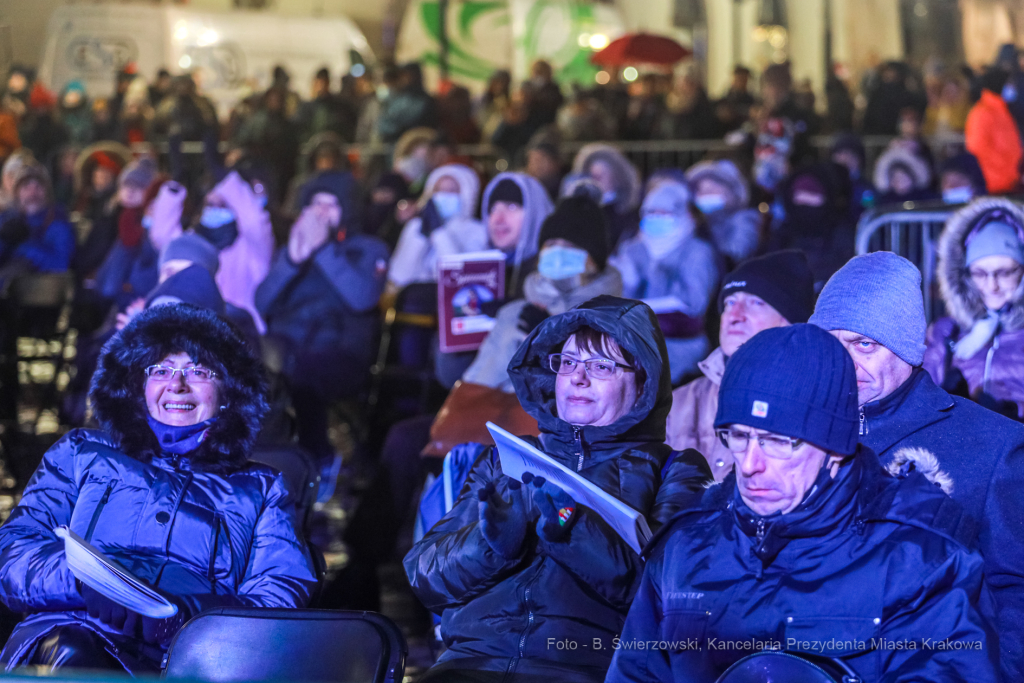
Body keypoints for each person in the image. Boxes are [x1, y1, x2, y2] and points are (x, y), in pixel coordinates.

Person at [606, 323, 996, 683]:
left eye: (779, 442)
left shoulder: (919, 558)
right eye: (739, 436)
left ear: (836, 449)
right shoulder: (685, 548)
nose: (751, 465)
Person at [0, 304, 317, 673]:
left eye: (199, 371)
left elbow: (279, 597)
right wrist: (82, 583)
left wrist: (187, 616)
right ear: (139, 385)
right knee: (74, 656)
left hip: (189, 659)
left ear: (228, 391)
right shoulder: (80, 453)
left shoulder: (261, 490)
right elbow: (13, 553)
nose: (177, 383)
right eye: (161, 369)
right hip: (69, 637)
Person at [406, 296, 677, 683]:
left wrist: (573, 532)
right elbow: (424, 577)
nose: (578, 378)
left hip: (582, 670)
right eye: (568, 363)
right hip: (470, 665)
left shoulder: (673, 471)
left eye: (601, 366)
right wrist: (491, 546)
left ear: (642, 381)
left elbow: (669, 600)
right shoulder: (506, 457)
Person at [809, 251, 1024, 682]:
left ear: (906, 345)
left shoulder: (993, 445)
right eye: (831, 345)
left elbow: (1015, 593)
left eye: (864, 343)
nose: (845, 363)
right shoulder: (796, 433)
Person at [255, 170, 389, 474]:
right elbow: (262, 303)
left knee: (303, 373)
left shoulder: (368, 249)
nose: (321, 212)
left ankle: (319, 461)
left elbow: (362, 297)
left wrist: (324, 251)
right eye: (316, 203)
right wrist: (291, 261)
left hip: (340, 354)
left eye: (331, 204)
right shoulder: (292, 250)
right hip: (285, 348)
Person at [665, 250, 814, 481]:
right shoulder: (679, 403)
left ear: (791, 322)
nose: (734, 315)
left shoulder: (814, 402)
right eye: (729, 302)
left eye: (755, 302)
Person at [463, 195, 623, 393]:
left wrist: (552, 343)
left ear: (594, 259)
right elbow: (475, 384)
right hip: (498, 418)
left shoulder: (617, 318)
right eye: (551, 244)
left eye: (570, 246)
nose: (558, 252)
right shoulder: (515, 312)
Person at [611, 178, 719, 383]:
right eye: (651, 212)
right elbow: (619, 298)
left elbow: (695, 303)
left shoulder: (697, 251)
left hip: (682, 348)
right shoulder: (633, 248)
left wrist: (662, 274)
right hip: (634, 345)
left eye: (664, 213)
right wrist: (630, 282)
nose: (656, 219)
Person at [924, 198, 1024, 418]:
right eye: (979, 273)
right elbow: (916, 400)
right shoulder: (948, 331)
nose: (992, 285)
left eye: (1005, 272)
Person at [387, 163, 486, 289]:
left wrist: (439, 233)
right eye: (439, 190)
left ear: (466, 194)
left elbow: (460, 276)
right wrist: (420, 237)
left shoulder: (476, 230)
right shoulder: (416, 225)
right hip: (414, 304)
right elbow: (399, 276)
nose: (443, 195)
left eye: (452, 191)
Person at [0, 160, 75, 283]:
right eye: (26, 187)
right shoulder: (8, 219)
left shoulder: (57, 223)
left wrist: (25, 244)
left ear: (47, 192)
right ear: (17, 193)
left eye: (38, 187)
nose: (32, 193)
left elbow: (60, 265)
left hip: (39, 292)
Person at [685, 159, 761, 266]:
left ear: (732, 192)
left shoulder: (744, 219)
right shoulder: (701, 223)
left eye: (712, 190)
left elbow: (737, 254)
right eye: (701, 191)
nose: (706, 195)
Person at [571, 144, 641, 248]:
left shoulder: (627, 213)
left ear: (616, 177)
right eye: (593, 176)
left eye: (601, 175)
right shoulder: (580, 208)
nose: (597, 181)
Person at [966, 67, 1022, 194]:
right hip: (995, 185)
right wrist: (1008, 173)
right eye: (1009, 83)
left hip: (1012, 183)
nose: (1012, 87)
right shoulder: (981, 113)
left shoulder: (1003, 110)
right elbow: (978, 151)